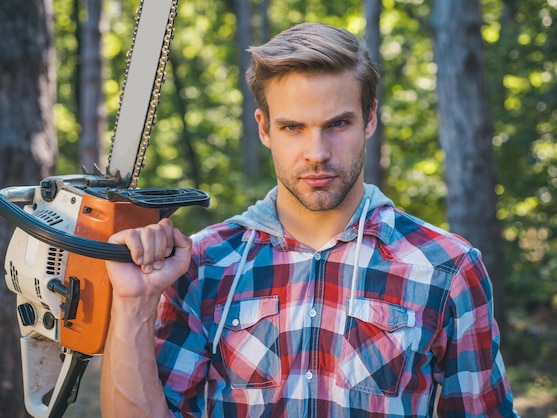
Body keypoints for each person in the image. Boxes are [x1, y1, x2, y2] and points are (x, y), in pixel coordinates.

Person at [101, 22, 519, 417]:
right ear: (264, 128)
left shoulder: (446, 267)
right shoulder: (205, 264)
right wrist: (134, 303)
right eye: (293, 127)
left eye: (338, 124)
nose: (317, 151)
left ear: (370, 119)